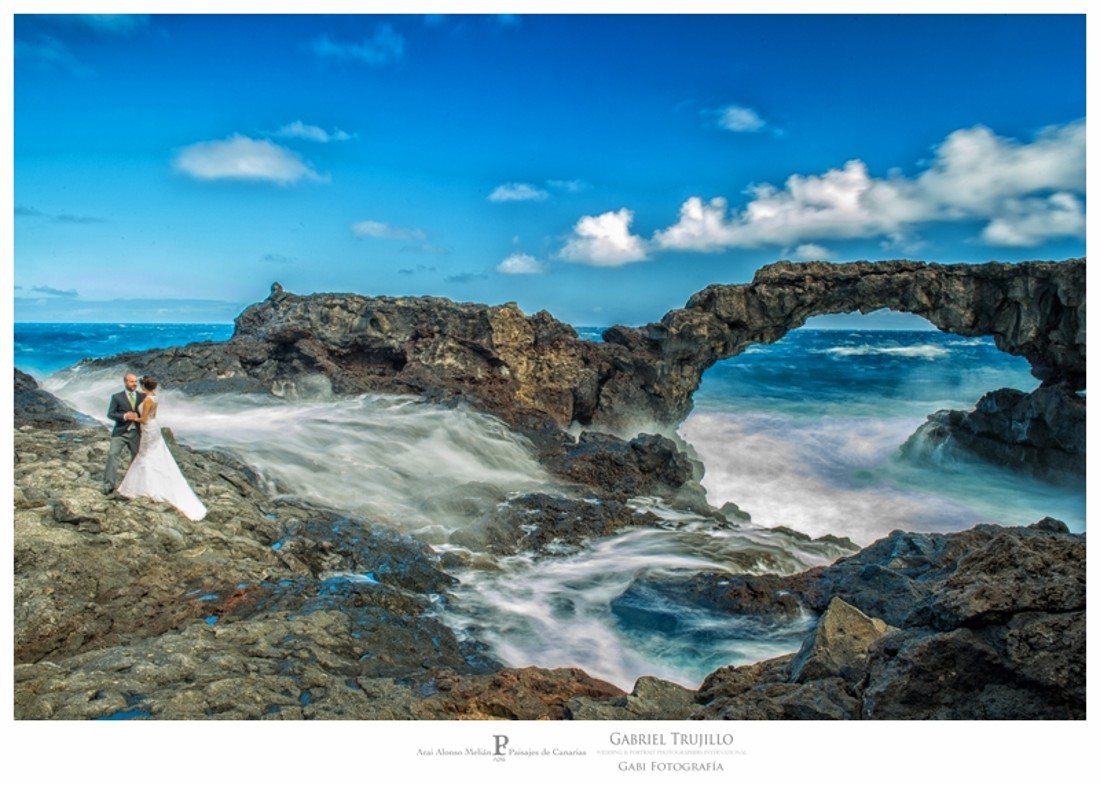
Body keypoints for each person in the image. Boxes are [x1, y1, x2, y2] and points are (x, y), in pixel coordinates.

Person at [116, 376, 207, 521]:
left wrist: (131, 417)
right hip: (154, 426)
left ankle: (144, 487)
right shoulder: (154, 397)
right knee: (154, 454)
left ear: (144, 386)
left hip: (148, 428)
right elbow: (152, 413)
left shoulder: (146, 400)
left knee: (144, 455)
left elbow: (144, 419)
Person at [103, 372, 145, 494]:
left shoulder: (142, 396)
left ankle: (135, 484)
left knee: (137, 458)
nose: (135, 384)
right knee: (112, 455)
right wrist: (125, 416)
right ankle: (108, 484)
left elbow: (147, 411)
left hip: (136, 432)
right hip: (120, 432)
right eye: (132, 381)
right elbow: (110, 414)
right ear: (125, 382)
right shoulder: (117, 397)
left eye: (136, 381)